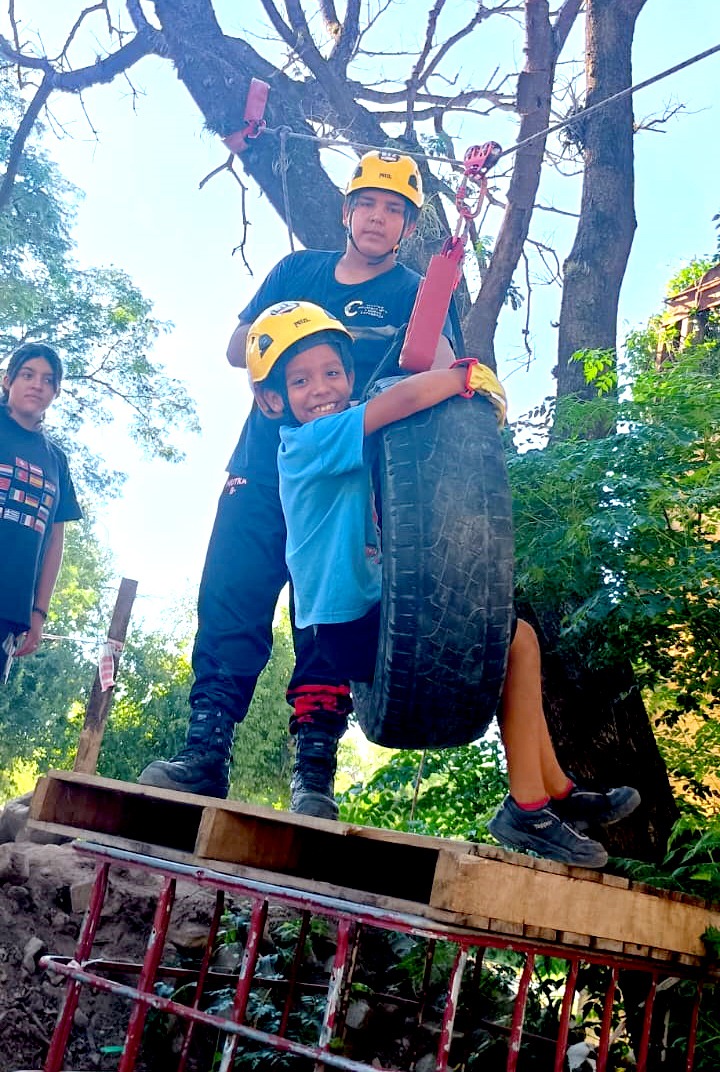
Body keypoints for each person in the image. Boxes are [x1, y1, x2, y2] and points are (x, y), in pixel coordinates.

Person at [245, 300, 640, 867]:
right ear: (273, 400)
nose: (322, 388)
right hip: (343, 622)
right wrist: (464, 378)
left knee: (514, 638)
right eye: (301, 380)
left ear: (348, 376)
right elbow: (401, 400)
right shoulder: (308, 443)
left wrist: (437, 352)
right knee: (510, 639)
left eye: (333, 372)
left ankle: (552, 791)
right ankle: (527, 808)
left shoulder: (335, 429)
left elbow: (408, 428)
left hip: (370, 604)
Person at [139, 150, 457, 815]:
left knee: (327, 616)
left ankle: (313, 778)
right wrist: (291, 332)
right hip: (261, 467)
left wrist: (455, 369)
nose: (377, 218)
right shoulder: (298, 271)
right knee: (232, 597)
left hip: (349, 481)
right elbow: (236, 349)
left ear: (407, 227)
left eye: (394, 210)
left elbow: (444, 371)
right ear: (346, 210)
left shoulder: (413, 292)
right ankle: (205, 754)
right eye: (367, 203)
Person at [0, 342, 82, 681]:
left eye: (48, 380)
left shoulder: (56, 460)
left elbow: (54, 541)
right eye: (28, 375)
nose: (37, 385)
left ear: (56, 392)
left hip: (9, 607)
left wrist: (39, 611)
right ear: (7, 381)